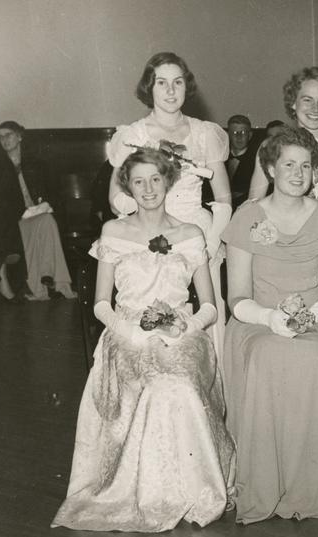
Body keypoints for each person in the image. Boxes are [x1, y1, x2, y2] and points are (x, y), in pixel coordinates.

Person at [52, 148, 234, 532]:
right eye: (139, 181)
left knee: (179, 385)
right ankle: (151, 493)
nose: (148, 188)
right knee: (154, 385)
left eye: (155, 179)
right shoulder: (114, 232)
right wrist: (130, 330)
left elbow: (211, 308)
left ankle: (195, 492)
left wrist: (184, 327)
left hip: (182, 331)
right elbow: (102, 304)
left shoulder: (190, 233)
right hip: (127, 331)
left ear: (168, 181)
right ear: (127, 187)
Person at [222, 126, 318, 524]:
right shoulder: (247, 216)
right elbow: (236, 296)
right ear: (270, 169)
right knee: (267, 353)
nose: (297, 172)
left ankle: (315, 481)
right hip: (258, 321)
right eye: (288, 164)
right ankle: (265, 481)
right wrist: (271, 318)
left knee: (314, 355)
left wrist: (310, 317)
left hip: (315, 319)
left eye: (305, 166)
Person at [106, 52, 232, 361]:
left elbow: (225, 200)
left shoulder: (205, 133)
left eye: (178, 82)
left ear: (187, 87)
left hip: (197, 234)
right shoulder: (133, 134)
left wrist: (210, 243)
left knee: (205, 313)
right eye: (162, 82)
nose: (171, 90)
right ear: (149, 88)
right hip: (148, 231)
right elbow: (116, 198)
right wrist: (147, 211)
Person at [248, 67, 318, 211]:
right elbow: (253, 203)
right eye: (307, 100)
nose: (315, 109)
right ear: (293, 103)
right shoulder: (270, 145)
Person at [0, 121, 76, 300]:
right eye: (1, 137)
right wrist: (22, 212)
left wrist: (45, 204)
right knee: (46, 224)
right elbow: (0, 201)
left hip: (38, 215)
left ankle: (41, 287)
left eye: (9, 135)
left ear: (19, 136)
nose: (4, 140)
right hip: (13, 221)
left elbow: (53, 192)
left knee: (47, 221)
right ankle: (58, 283)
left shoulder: (36, 163)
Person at [225, 114, 259, 208]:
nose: (239, 137)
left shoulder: (258, 160)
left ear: (250, 135)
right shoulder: (219, 157)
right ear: (228, 134)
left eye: (243, 132)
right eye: (235, 132)